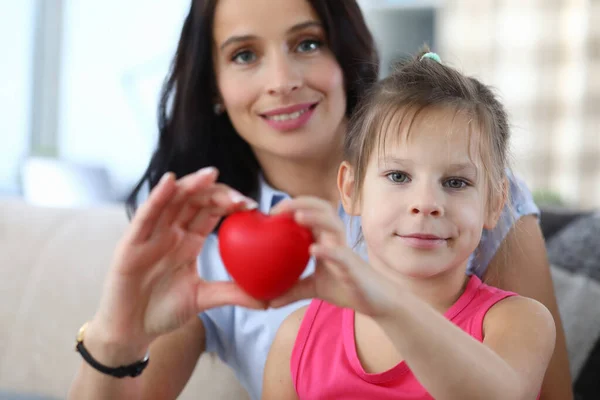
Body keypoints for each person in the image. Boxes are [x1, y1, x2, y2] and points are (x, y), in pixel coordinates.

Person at [67, 1, 573, 399]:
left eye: (307, 43)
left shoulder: (476, 190)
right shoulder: (204, 243)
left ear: (346, 53)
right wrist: (115, 333)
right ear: (214, 84)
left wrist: (383, 299)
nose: (282, 80)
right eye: (245, 54)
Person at [261, 50, 556, 400]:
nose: (426, 203)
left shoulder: (519, 322)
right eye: (398, 176)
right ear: (351, 189)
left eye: (456, 182)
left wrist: (387, 304)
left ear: (494, 203)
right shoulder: (296, 337)